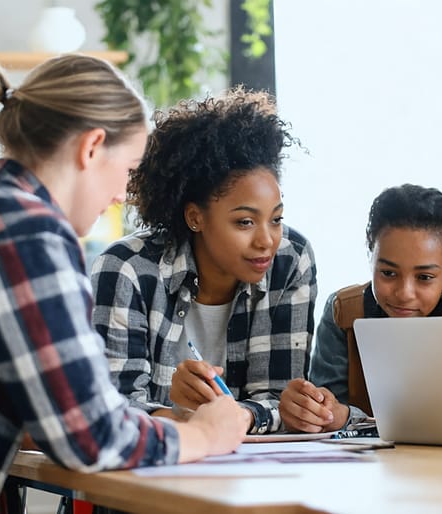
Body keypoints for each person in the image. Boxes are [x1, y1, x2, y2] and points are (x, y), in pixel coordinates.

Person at [0, 55, 249, 514]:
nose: (123, 194)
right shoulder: (27, 234)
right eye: (129, 170)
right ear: (92, 147)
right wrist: (204, 434)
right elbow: (89, 435)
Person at [91, 88, 317, 436]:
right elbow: (110, 408)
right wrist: (177, 410)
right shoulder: (127, 269)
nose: (266, 240)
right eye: (244, 222)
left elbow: (280, 398)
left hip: (248, 475)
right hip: (144, 476)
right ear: (195, 217)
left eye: (276, 218)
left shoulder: (291, 260)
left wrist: (242, 417)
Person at [280, 184, 442, 433]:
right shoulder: (342, 312)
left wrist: (349, 418)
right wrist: (315, 412)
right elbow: (329, 417)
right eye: (388, 273)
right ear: (370, 254)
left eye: (424, 277)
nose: (404, 293)